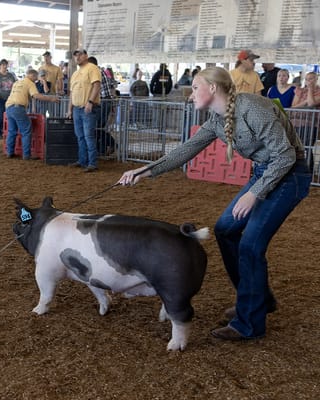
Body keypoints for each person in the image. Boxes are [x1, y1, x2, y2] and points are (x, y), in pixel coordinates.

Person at [117, 66, 311, 342]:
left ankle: (249, 324)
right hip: (264, 174)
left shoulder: (252, 108)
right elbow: (186, 149)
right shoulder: (217, 121)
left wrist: (253, 193)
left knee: (250, 245)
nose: (191, 94)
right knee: (225, 229)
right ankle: (258, 300)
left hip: (289, 176)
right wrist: (144, 172)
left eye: (195, 88)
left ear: (212, 88)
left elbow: (285, 156)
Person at [5, 69, 59, 160]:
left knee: (12, 131)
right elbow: (36, 96)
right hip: (18, 108)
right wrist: (51, 99)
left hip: (9, 107)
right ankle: (26, 155)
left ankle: (10, 152)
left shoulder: (17, 82)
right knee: (26, 130)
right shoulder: (30, 83)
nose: (36, 80)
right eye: (36, 77)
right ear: (33, 76)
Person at [65, 48, 101, 172]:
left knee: (88, 136)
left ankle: (92, 163)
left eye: (80, 55)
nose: (77, 57)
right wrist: (69, 109)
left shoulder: (92, 68)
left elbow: (96, 85)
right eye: (75, 55)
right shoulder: (75, 73)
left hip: (88, 108)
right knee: (80, 136)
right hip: (77, 109)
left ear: (86, 56)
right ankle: (82, 160)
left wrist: (90, 102)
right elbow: (72, 93)